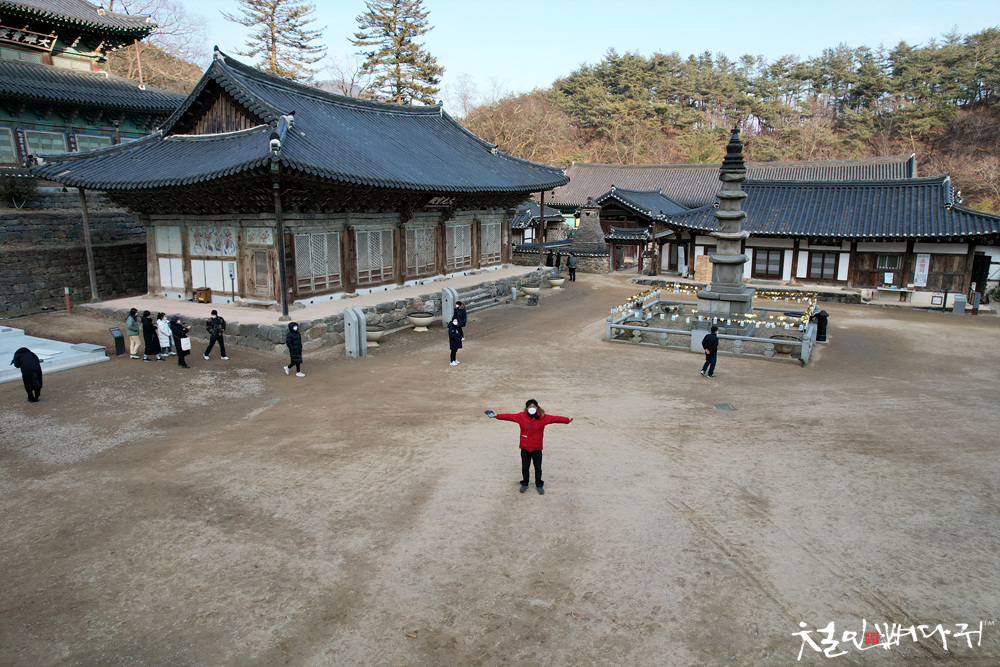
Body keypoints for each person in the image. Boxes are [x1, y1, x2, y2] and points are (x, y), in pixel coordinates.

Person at [487, 399, 572, 494]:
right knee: (525, 467)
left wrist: (567, 420)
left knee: (538, 468)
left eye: (534, 406)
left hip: (537, 447)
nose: (532, 408)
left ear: (537, 407)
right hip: (525, 447)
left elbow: (555, 419)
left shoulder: (543, 417)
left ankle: (539, 484)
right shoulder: (521, 416)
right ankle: (525, 483)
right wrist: (497, 416)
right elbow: (509, 416)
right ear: (527, 408)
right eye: (530, 406)